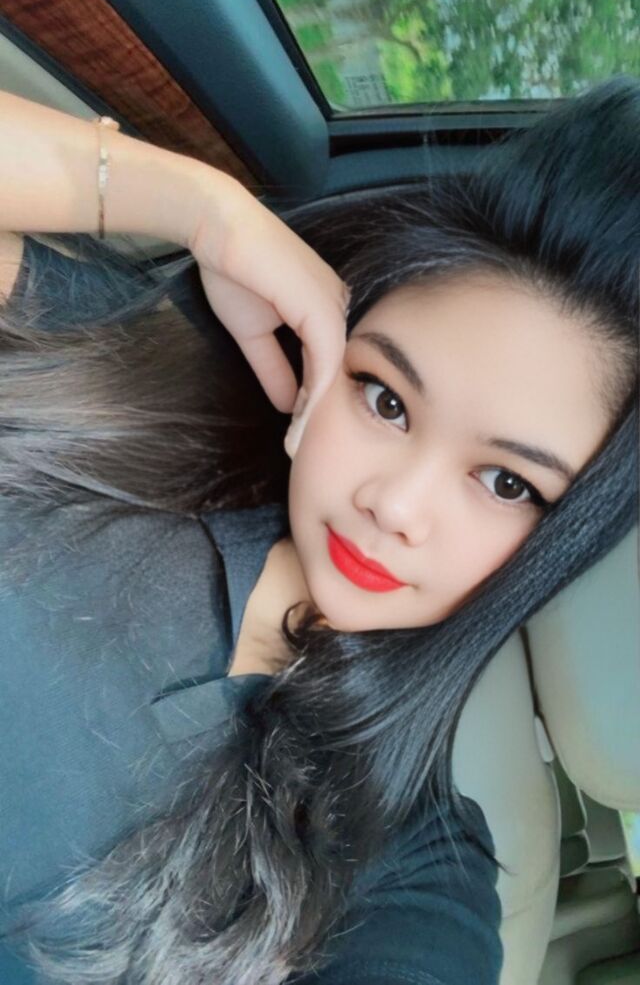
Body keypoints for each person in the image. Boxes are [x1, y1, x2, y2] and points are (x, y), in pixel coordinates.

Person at [0, 77, 637, 985]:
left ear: (565, 536)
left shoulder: (409, 865)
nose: (396, 504)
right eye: (385, 397)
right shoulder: (129, 392)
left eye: (507, 483)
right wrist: (201, 205)